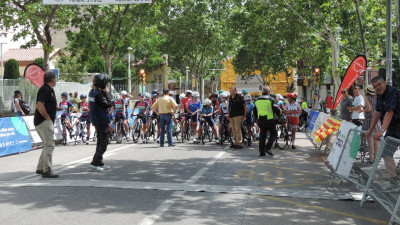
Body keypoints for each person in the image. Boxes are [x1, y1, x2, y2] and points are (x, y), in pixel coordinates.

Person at [366, 76, 400, 191]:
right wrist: (370, 129)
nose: (377, 88)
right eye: (375, 87)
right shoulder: (379, 95)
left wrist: (381, 131)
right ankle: (394, 182)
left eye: (379, 85)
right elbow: (377, 112)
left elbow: (389, 112)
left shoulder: (392, 92)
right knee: (386, 153)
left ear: (384, 82)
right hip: (392, 127)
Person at [34, 70, 59, 178]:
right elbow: (39, 105)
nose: (56, 80)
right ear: (52, 79)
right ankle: (46, 170)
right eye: (55, 78)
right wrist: (47, 118)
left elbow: (45, 104)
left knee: (46, 144)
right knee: (50, 145)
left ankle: (40, 168)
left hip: (43, 121)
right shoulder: (45, 89)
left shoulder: (49, 89)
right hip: (44, 121)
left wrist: (55, 108)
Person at [89, 73, 113, 172]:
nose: (107, 86)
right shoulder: (98, 95)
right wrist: (107, 93)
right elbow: (108, 104)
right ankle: (95, 162)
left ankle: (99, 161)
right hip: (101, 119)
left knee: (100, 141)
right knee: (104, 141)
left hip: (96, 119)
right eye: (106, 83)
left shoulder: (92, 92)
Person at [254, 86, 281, 156]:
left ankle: (261, 152)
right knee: (274, 134)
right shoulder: (271, 99)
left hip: (260, 119)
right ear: (269, 92)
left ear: (262, 92)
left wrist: (257, 118)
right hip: (269, 119)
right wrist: (279, 113)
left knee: (262, 135)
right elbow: (275, 108)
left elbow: (255, 110)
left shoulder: (256, 99)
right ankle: (267, 147)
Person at [361, 85, 382, 165]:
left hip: (369, 120)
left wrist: (362, 111)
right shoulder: (377, 97)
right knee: (376, 141)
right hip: (377, 120)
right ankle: (376, 159)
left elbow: (368, 109)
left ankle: (371, 159)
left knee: (370, 141)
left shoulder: (367, 97)